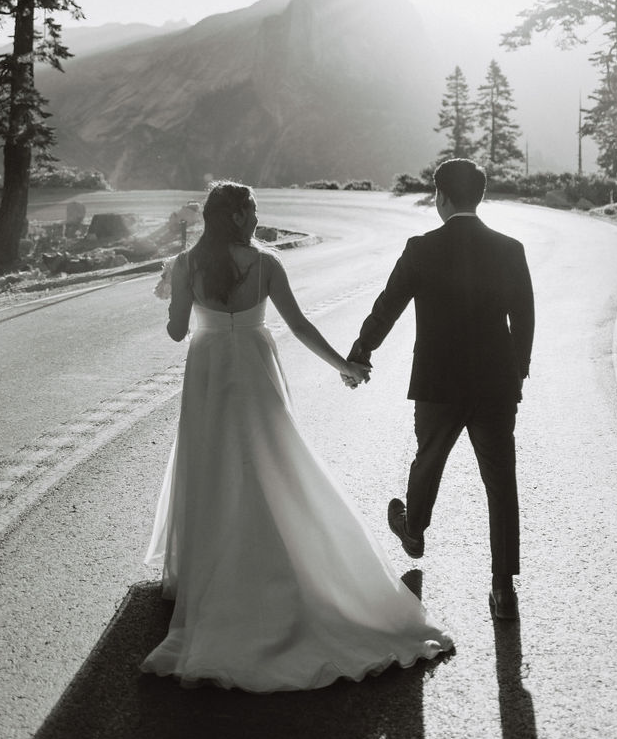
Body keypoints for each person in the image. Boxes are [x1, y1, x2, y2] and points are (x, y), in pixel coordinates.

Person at [142, 181, 452, 690]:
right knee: (270, 460)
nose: (259, 217)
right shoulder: (266, 265)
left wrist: (174, 291)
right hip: (255, 370)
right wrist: (344, 367)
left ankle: (211, 570)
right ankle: (278, 559)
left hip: (208, 372)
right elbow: (300, 326)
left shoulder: (187, 265)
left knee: (211, 463)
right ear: (239, 216)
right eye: (255, 210)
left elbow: (178, 332)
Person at [348, 159, 534, 622]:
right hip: (494, 383)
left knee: (429, 457)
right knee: (500, 482)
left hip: (437, 382)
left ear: (442, 198)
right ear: (479, 196)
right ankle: (502, 589)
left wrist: (361, 351)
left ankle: (413, 531)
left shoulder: (422, 248)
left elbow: (387, 306)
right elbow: (524, 319)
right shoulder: (510, 249)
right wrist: (518, 371)